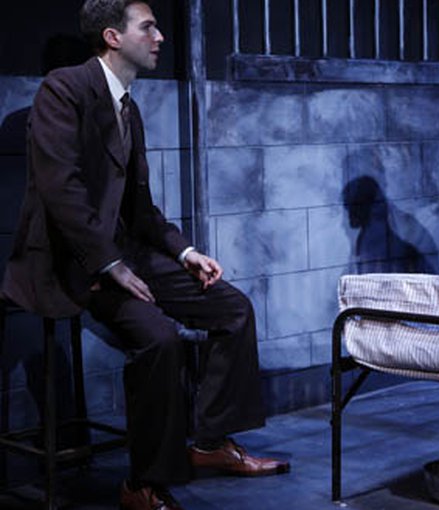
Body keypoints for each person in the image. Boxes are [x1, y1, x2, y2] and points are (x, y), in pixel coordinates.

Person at [1, 1, 289, 508]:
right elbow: (61, 190)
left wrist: (185, 252)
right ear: (113, 37)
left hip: (125, 253)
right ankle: (142, 484)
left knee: (232, 309)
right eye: (148, 27)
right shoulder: (63, 89)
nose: (160, 37)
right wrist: (109, 264)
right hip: (75, 260)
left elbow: (141, 210)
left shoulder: (128, 108)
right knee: (159, 338)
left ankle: (208, 444)